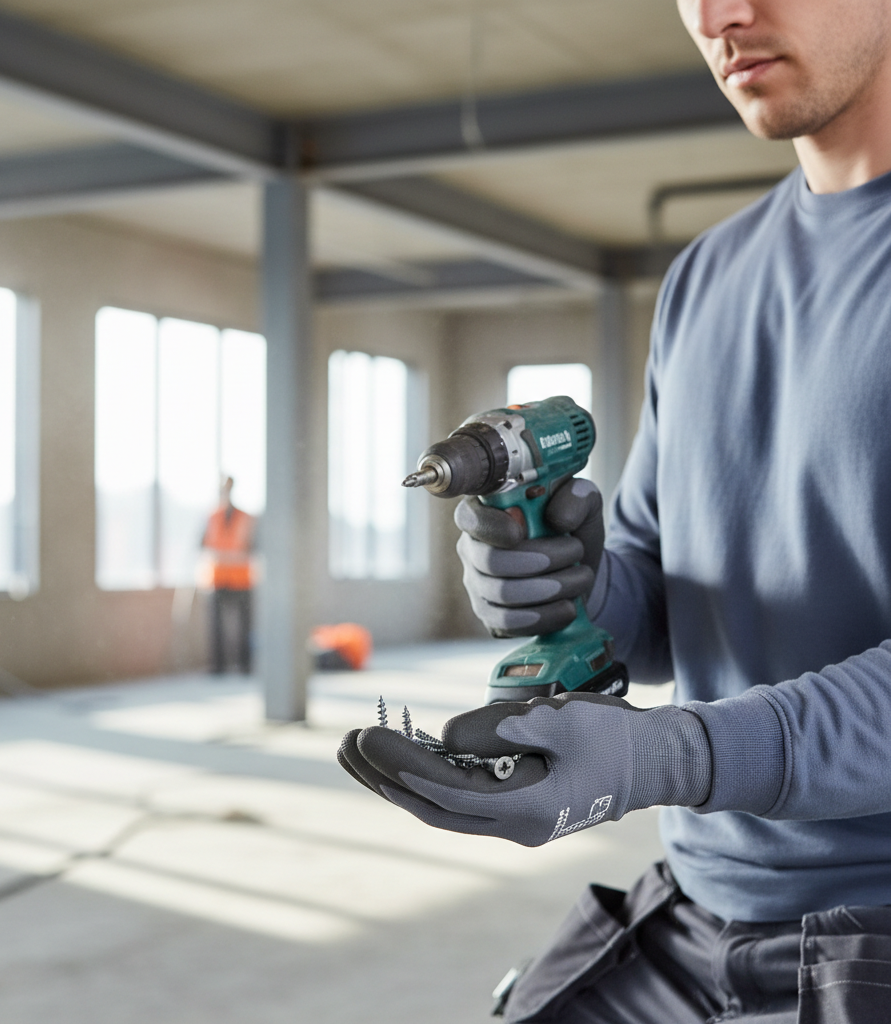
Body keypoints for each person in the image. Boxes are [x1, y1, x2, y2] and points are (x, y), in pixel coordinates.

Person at [339, 1, 891, 1020]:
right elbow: (659, 599)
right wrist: (581, 586)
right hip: (700, 902)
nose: (720, 13)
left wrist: (667, 754)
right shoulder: (707, 276)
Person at [201, 477, 255, 674]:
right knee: (216, 627)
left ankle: (244, 665)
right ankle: (218, 667)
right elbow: (203, 546)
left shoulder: (245, 517)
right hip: (218, 579)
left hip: (241, 579)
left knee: (244, 626)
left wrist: (235, 556)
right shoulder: (212, 516)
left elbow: (253, 547)